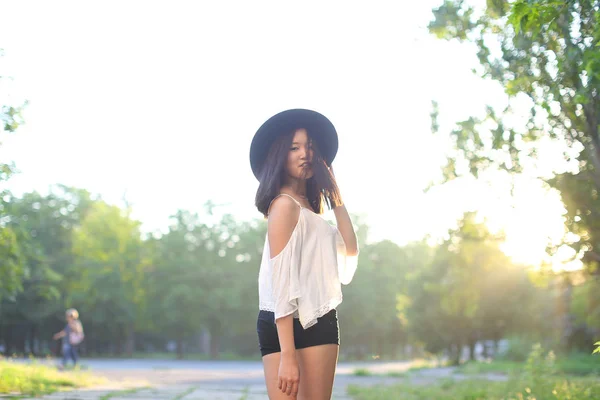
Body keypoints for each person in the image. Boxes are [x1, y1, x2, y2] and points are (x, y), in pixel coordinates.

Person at [250, 109, 359, 399]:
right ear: (279, 155)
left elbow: (350, 248)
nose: (305, 154)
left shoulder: (310, 210)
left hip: (320, 318)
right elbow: (281, 283)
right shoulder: (283, 205)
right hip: (282, 323)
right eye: (295, 147)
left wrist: (333, 192)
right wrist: (288, 355)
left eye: (310, 146)